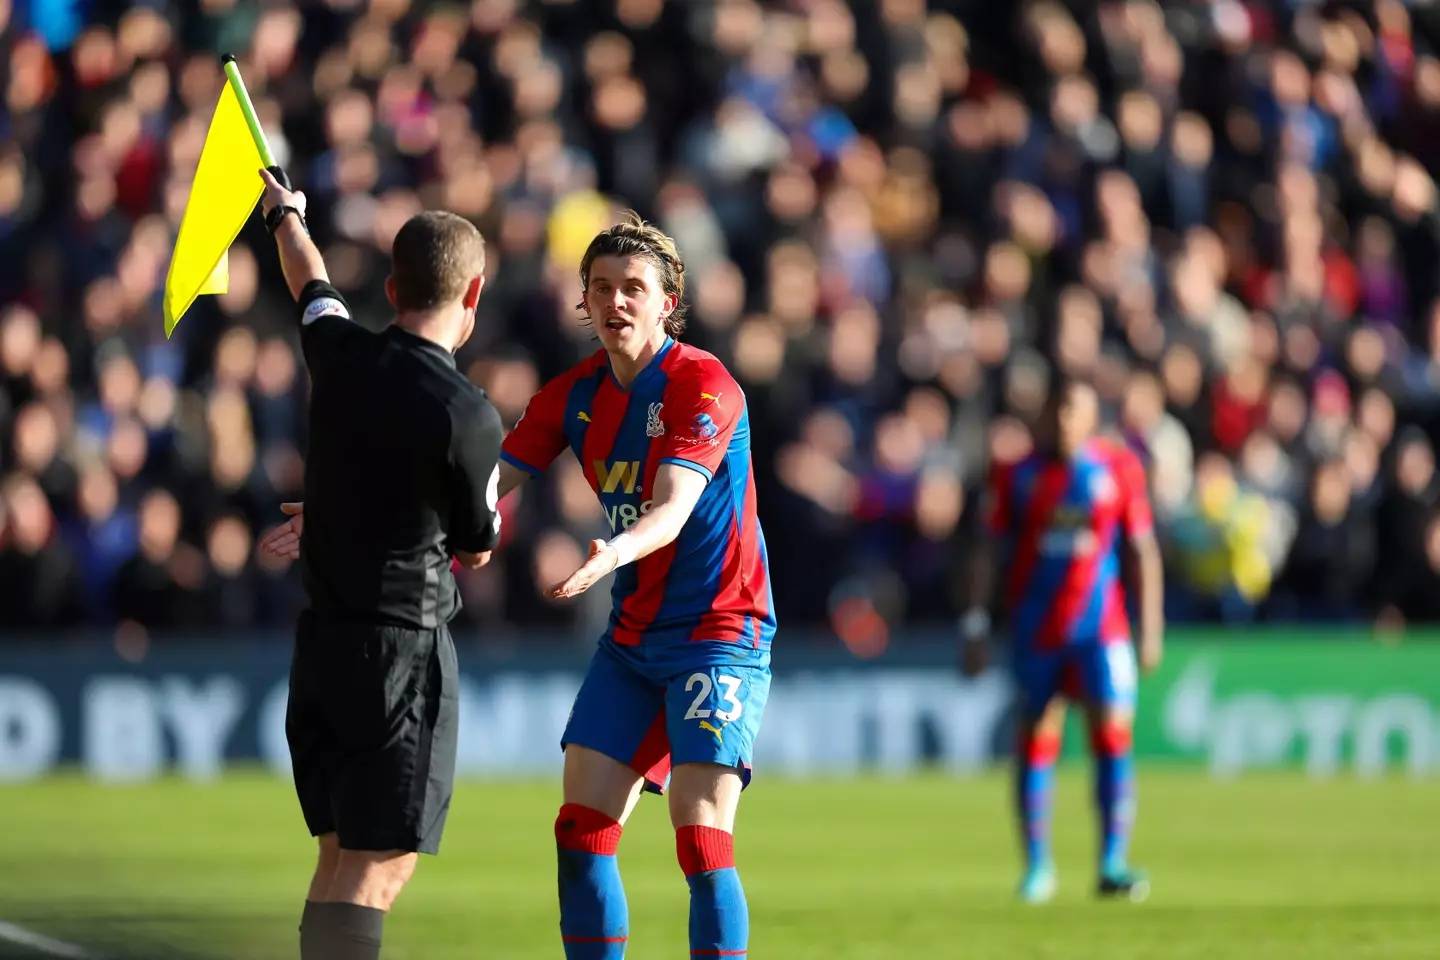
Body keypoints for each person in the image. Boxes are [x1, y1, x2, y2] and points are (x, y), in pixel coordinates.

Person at [262, 211, 775, 959]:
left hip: (719, 631)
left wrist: (610, 555)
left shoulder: (705, 385)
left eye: (635, 288)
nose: (616, 302)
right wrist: (356, 501)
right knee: (581, 832)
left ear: (669, 302)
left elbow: (670, 510)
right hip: (634, 638)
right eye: (601, 287)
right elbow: (480, 481)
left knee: (699, 835)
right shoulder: (574, 394)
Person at [255, 167, 505, 960]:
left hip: (322, 646)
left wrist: (284, 214)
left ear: (393, 287)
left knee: (338, 858)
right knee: (378, 867)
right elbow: (475, 544)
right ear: (473, 297)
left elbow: (311, 278)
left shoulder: (338, 353)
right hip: (402, 653)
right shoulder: (466, 414)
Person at [959, 372, 1164, 904]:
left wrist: (1151, 628)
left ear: (1095, 417)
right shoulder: (1016, 474)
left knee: (1113, 738)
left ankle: (1112, 862)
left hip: (1103, 630)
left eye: (1077, 411)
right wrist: (976, 623)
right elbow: (986, 552)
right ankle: (1037, 867)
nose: (1067, 421)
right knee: (1035, 741)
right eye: (1059, 410)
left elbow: (1142, 550)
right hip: (1038, 631)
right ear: (1044, 416)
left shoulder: (1119, 468)